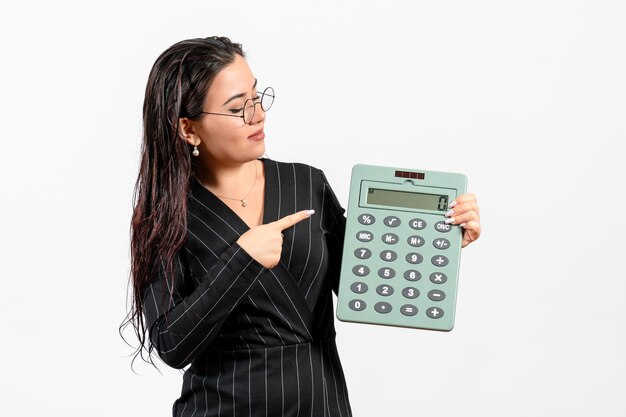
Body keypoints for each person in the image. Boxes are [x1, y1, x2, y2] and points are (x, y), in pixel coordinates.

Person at [125, 36, 481, 417]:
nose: (257, 114)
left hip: (321, 404)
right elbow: (172, 344)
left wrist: (438, 239)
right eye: (237, 108)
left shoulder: (305, 184)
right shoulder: (167, 218)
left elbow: (368, 284)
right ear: (188, 129)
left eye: (257, 96)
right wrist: (242, 259)